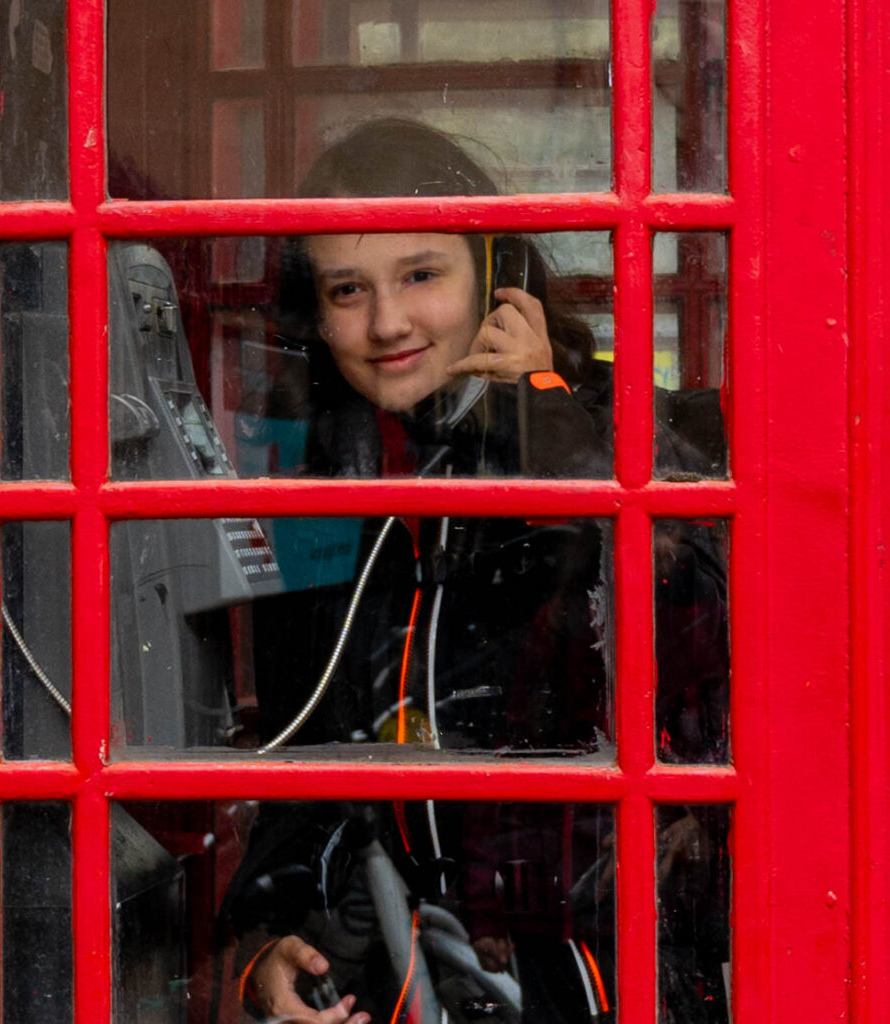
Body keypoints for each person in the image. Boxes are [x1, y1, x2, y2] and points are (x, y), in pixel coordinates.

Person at [226, 119, 729, 1024]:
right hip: (404, 973)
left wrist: (546, 429)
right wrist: (267, 944)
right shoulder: (323, 476)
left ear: (495, 275)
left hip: (613, 969)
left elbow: (708, 634)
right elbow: (300, 741)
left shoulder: (620, 425)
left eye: (422, 274)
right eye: (349, 290)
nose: (387, 324)